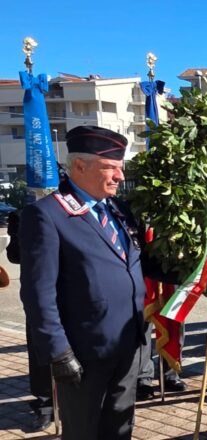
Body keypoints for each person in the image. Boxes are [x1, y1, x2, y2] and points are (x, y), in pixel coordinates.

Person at [19, 126, 149, 439]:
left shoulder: (120, 210)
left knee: (119, 429)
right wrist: (59, 353)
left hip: (128, 344)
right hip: (83, 353)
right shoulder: (47, 215)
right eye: (112, 168)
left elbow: (144, 264)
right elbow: (38, 294)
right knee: (84, 432)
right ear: (80, 166)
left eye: (121, 168)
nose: (120, 176)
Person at [7, 210, 54, 432]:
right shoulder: (23, 215)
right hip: (40, 295)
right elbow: (14, 255)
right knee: (40, 350)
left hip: (76, 293)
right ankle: (45, 405)